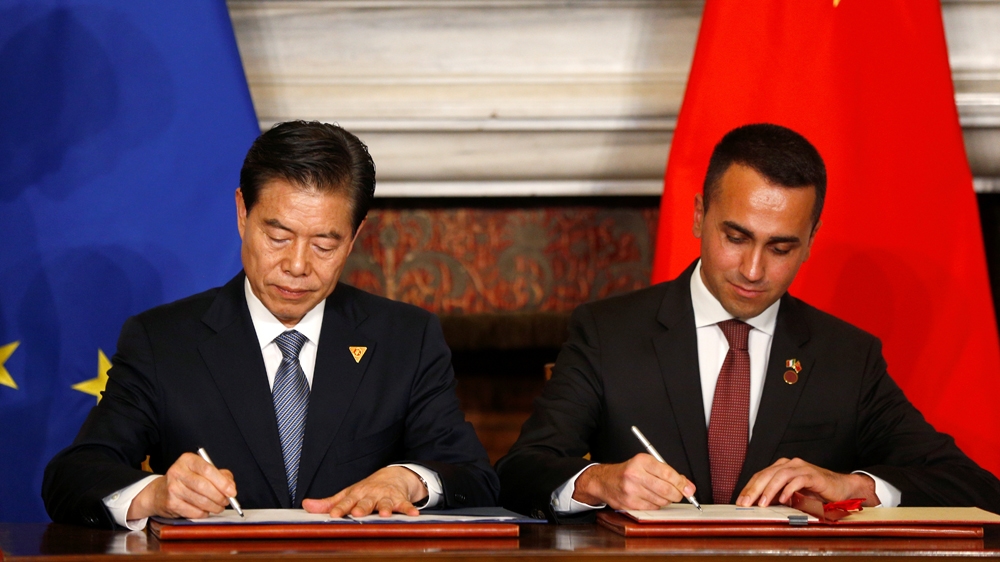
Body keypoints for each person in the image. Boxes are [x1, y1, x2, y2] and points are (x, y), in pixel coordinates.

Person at [495, 123, 1000, 522]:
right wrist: (597, 481)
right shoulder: (609, 332)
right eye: (735, 238)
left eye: (781, 248)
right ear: (699, 215)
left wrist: (856, 487)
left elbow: (973, 486)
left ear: (811, 240)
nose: (753, 271)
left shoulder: (846, 357)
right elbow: (519, 471)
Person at [43, 121, 499, 529]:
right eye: (278, 237)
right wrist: (156, 493)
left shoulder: (406, 338)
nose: (297, 265)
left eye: (324, 245)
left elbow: (476, 478)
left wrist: (408, 479)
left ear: (354, 237)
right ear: (243, 213)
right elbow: (73, 475)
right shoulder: (163, 341)